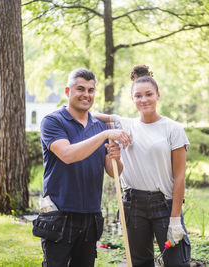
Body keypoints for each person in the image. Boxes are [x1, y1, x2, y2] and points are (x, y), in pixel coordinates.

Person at [95, 65, 191, 267]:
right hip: (133, 204)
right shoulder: (124, 124)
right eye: (137, 96)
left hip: (164, 204)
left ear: (158, 95)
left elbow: (180, 177)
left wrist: (175, 219)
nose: (143, 99)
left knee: (176, 263)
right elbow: (91, 116)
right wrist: (108, 133)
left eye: (148, 94)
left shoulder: (173, 129)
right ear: (132, 99)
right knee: (140, 262)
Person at [34, 68, 132, 267]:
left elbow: (113, 171)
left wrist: (116, 158)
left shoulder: (100, 126)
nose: (86, 95)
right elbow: (68, 155)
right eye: (80, 89)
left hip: (91, 215)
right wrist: (105, 135)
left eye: (91, 90)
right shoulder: (53, 121)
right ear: (68, 91)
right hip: (60, 214)